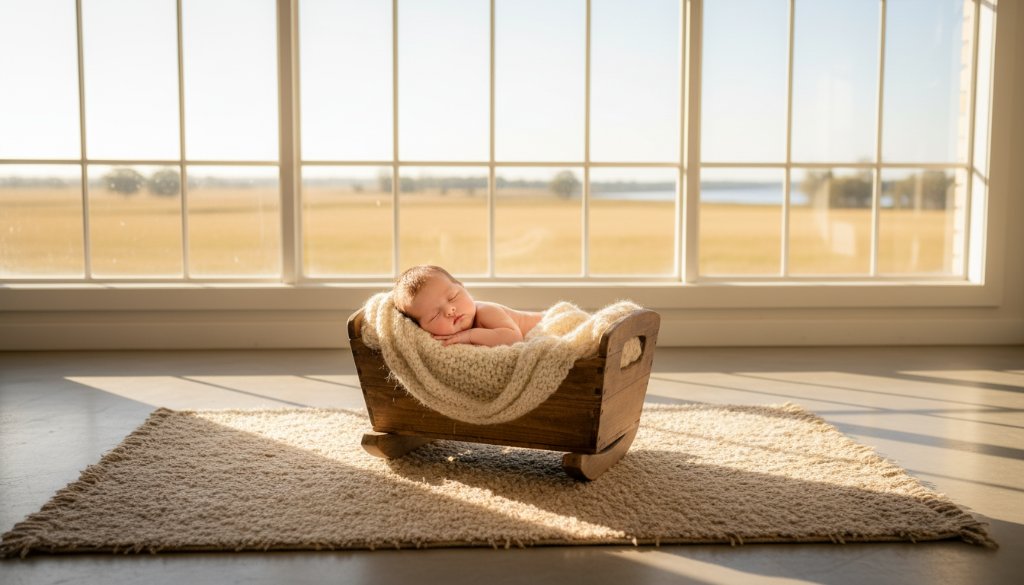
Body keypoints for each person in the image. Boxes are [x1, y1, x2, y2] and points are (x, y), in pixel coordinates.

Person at [393, 265, 543, 347]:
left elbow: (514, 338)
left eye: (453, 297)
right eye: (435, 315)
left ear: (463, 287)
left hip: (543, 323)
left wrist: (469, 336)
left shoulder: (485, 311)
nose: (449, 310)